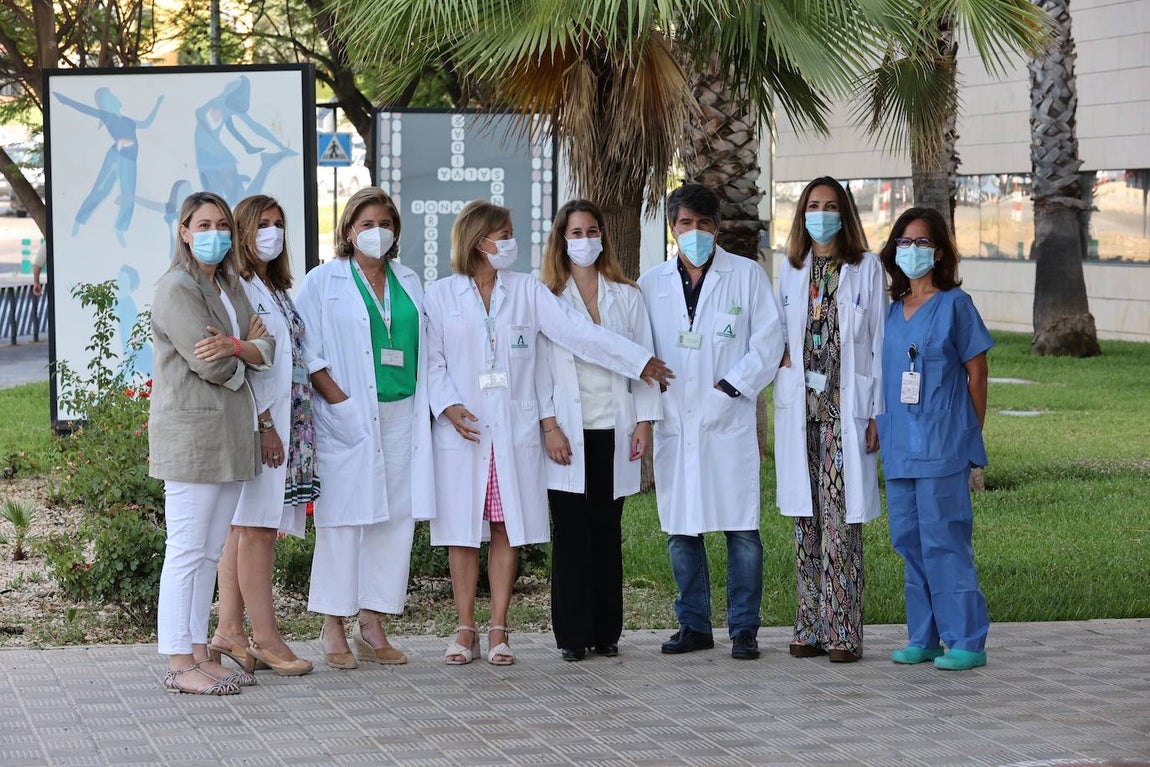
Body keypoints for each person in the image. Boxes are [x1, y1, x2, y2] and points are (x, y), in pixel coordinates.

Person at [424, 199, 672, 667]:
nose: (511, 242)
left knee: (506, 526)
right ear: (479, 241)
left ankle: (499, 630)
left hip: (510, 429)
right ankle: (465, 629)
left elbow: (578, 333)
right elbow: (432, 361)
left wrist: (637, 360)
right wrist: (447, 405)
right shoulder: (439, 295)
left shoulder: (527, 291)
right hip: (465, 430)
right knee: (461, 530)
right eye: (504, 235)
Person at [638, 183, 784, 661]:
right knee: (682, 529)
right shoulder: (651, 283)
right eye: (686, 223)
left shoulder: (745, 275)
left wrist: (730, 388)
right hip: (676, 420)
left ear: (717, 228)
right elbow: (642, 350)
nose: (695, 232)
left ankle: (744, 629)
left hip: (728, 418)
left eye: (704, 223)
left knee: (741, 530)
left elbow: (769, 342)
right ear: (672, 228)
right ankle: (694, 625)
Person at [296, 187, 434, 669]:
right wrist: (341, 402)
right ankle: (332, 622)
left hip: (403, 413)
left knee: (395, 518)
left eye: (385, 224)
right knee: (343, 518)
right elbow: (306, 350)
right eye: (367, 224)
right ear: (349, 230)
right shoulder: (323, 281)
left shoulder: (409, 280)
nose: (378, 232)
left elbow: (423, 345)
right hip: (350, 415)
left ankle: (372, 622)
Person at [150, 191, 273, 695]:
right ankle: (179, 663)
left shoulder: (228, 284)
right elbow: (211, 364)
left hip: (230, 436)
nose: (215, 233)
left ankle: (199, 651)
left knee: (208, 553)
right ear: (184, 232)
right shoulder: (176, 288)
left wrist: (239, 346)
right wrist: (243, 352)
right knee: (185, 551)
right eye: (203, 225)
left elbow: (266, 346)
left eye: (222, 224)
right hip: (193, 438)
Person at [537, 200, 661, 661]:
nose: (585, 240)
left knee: (607, 531)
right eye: (576, 233)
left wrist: (644, 422)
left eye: (592, 231)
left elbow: (644, 362)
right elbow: (538, 371)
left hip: (615, 426)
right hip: (568, 431)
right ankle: (572, 635)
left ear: (603, 237)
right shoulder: (546, 298)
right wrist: (549, 425)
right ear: (561, 240)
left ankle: (607, 631)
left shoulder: (626, 296)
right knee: (571, 533)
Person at [773, 177, 885, 663]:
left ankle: (843, 632)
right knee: (806, 522)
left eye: (831, 206)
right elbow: (779, 335)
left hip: (844, 413)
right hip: (801, 413)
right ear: (802, 214)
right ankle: (809, 626)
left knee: (840, 524)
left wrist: (877, 413)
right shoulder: (791, 268)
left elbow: (878, 342)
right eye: (814, 205)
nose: (821, 214)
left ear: (846, 214)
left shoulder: (866, 268)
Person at [876, 207, 993, 671]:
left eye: (922, 242)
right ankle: (922, 637)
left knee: (945, 539)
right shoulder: (891, 312)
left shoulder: (955, 305)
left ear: (939, 251)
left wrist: (968, 431)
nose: (912, 250)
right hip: (899, 444)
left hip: (943, 445)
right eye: (904, 242)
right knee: (909, 540)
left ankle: (966, 640)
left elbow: (977, 373)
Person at [210, 195, 318, 677]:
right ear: (242, 232)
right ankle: (268, 639)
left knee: (243, 527)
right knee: (256, 529)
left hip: (286, 420)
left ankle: (229, 631)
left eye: (278, 223)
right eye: (262, 224)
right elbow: (250, 362)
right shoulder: (239, 288)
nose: (272, 232)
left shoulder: (272, 287)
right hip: (263, 423)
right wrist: (268, 425)